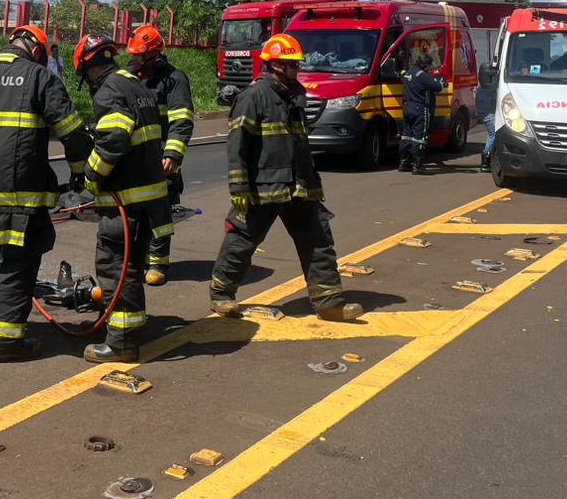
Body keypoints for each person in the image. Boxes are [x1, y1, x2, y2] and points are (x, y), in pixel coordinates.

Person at [0, 25, 92, 362]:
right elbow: (73, 134)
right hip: (19, 199)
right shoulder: (39, 78)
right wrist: (77, 175)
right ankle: (4, 343)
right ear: (38, 52)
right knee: (18, 262)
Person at [209, 34, 363, 322]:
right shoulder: (254, 96)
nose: (298, 69)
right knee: (241, 241)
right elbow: (237, 144)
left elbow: (299, 143)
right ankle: (221, 295)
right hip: (262, 188)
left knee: (318, 241)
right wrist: (239, 185)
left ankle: (328, 301)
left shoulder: (295, 94)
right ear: (277, 65)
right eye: (293, 65)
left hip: (300, 186)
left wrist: (311, 181)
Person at [75, 32, 172, 362]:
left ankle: (121, 343)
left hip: (125, 201)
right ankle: (131, 328)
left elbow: (115, 138)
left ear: (90, 68)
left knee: (116, 268)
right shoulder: (135, 84)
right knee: (131, 267)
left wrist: (91, 174)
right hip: (148, 198)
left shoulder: (109, 90)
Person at [125, 23, 194, 287]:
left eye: (138, 55)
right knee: (134, 209)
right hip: (135, 155)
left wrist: (173, 154)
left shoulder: (174, 79)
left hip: (161, 156)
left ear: (152, 54)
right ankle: (137, 258)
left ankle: (157, 263)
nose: (133, 59)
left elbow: (182, 119)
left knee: (159, 211)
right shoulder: (129, 76)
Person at [399, 51, 444, 175]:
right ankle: (418, 165)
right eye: (429, 66)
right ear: (425, 65)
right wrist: (439, 81)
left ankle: (404, 162)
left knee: (406, 136)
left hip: (407, 106)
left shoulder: (408, 73)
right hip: (419, 108)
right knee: (420, 138)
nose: (430, 69)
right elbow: (438, 87)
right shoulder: (422, 75)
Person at [476, 62, 497, 171]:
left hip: (485, 113)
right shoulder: (487, 89)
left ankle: (488, 159)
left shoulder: (482, 87)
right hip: (488, 114)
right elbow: (493, 102)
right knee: (493, 135)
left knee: (491, 135)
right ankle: (485, 162)